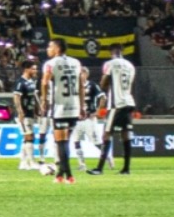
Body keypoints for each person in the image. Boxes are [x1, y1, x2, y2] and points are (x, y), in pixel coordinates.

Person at [40, 38, 85, 184]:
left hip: (59, 107)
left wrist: (43, 101)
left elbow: (45, 82)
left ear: (57, 48)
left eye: (50, 46)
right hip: (74, 107)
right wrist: (82, 106)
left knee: (60, 142)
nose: (48, 49)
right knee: (66, 141)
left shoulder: (50, 64)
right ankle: (60, 175)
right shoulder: (76, 63)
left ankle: (69, 176)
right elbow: (80, 85)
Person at [91, 45, 137, 175]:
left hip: (116, 104)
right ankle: (126, 168)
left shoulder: (110, 64)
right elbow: (130, 84)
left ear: (111, 52)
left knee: (106, 134)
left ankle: (99, 168)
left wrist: (103, 89)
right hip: (129, 102)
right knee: (126, 134)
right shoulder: (130, 66)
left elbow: (104, 82)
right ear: (122, 52)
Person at [70, 72, 105, 171]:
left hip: (89, 119)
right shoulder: (74, 86)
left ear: (86, 74)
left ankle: (107, 156)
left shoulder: (92, 85)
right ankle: (82, 164)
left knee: (96, 142)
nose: (80, 75)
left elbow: (103, 97)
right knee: (76, 141)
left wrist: (98, 111)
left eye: (82, 74)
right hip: (77, 119)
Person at [13, 60, 40, 171]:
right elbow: (16, 97)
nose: (35, 70)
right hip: (23, 115)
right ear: (26, 69)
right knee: (29, 136)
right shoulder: (20, 82)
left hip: (30, 113)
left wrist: (39, 108)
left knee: (27, 138)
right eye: (33, 68)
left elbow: (34, 96)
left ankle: (23, 163)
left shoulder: (31, 82)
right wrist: (20, 112)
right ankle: (32, 162)